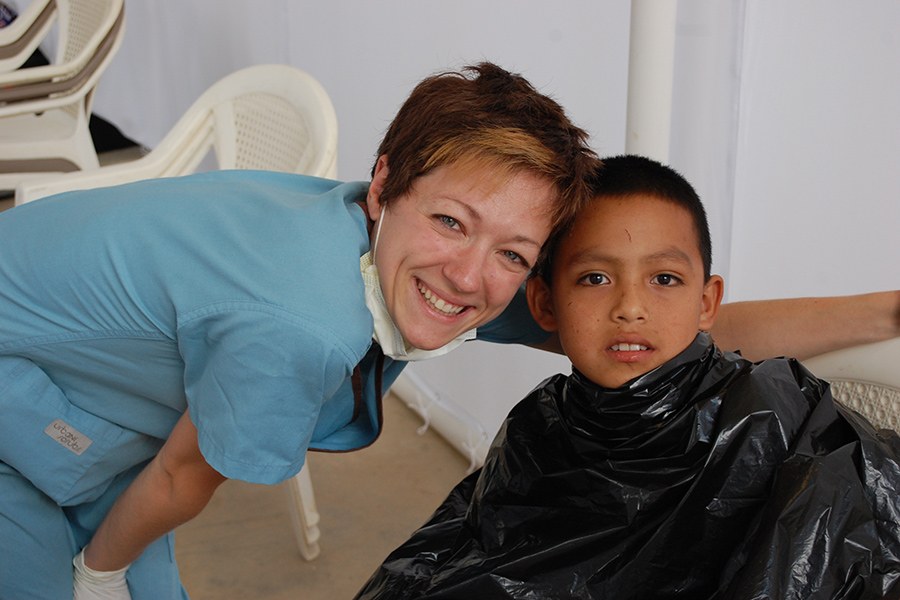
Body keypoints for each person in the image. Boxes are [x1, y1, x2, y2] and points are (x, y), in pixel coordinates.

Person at [0, 61, 895, 599]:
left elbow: (673, 331)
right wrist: (99, 576)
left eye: (514, 251)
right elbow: (180, 473)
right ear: (386, 182)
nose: (471, 278)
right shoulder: (300, 322)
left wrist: (884, 312)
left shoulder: (436, 264)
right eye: (453, 222)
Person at [355, 155, 900, 599]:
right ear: (544, 302)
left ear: (706, 301)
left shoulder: (771, 423)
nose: (630, 307)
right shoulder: (540, 426)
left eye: (664, 278)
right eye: (595, 277)